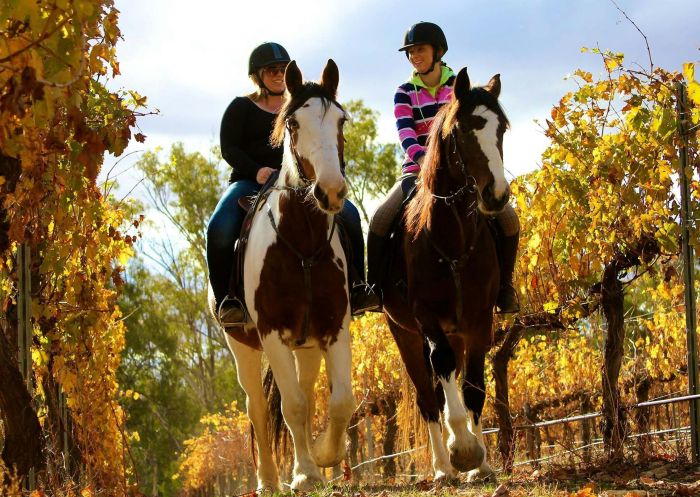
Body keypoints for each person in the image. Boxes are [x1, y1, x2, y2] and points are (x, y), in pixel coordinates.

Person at [207, 42, 379, 327]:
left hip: (299, 184)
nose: (277, 74)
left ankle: (358, 288)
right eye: (270, 70)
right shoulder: (240, 107)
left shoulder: (303, 107)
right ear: (257, 75)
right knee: (221, 226)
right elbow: (229, 149)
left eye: (281, 69)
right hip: (250, 182)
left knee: (350, 215)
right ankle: (230, 300)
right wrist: (256, 170)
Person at [367, 22, 520, 313]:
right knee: (380, 217)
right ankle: (374, 290)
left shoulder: (459, 90)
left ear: (437, 51)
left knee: (509, 219)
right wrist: (422, 158)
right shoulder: (404, 92)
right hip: (416, 170)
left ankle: (504, 288)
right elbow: (405, 132)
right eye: (410, 52)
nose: (414, 56)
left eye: (419, 50)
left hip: (461, 173)